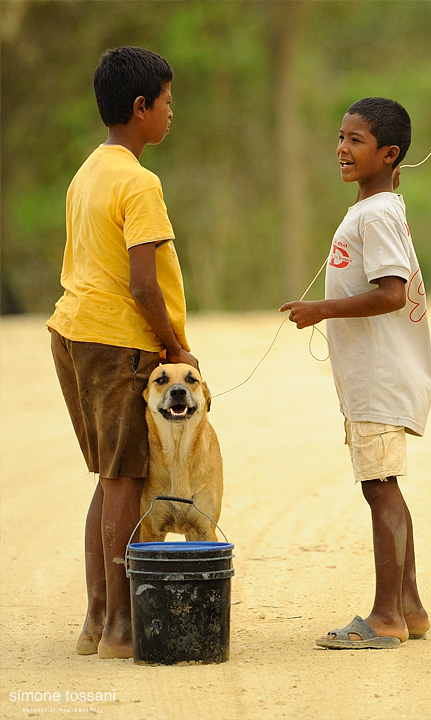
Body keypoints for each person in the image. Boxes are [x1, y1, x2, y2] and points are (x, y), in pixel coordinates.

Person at [46, 46, 197, 659]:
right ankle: (118, 629)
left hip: (72, 333)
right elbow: (141, 283)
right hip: (118, 344)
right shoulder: (140, 182)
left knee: (111, 479)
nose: (170, 112)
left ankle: (95, 623)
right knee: (122, 482)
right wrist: (175, 345)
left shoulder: (88, 171)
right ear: (141, 108)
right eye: (166, 102)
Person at [281, 97, 431, 649]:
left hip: (380, 376)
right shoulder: (372, 209)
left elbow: (391, 294)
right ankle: (410, 608)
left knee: (381, 488)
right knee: (383, 487)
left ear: (389, 154)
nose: (342, 148)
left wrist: (319, 310)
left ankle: (386, 617)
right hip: (371, 375)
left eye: (356, 140)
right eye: (341, 136)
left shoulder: (377, 212)